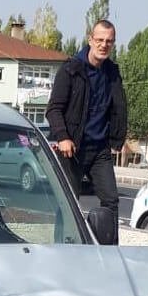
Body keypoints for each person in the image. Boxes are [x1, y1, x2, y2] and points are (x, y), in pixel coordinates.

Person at [44, 19, 128, 242]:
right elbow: (53, 110)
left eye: (109, 41)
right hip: (73, 148)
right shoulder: (71, 69)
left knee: (111, 200)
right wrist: (63, 137)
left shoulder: (112, 73)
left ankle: (109, 250)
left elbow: (119, 106)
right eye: (99, 40)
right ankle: (63, 247)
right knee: (69, 201)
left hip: (100, 149)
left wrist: (117, 138)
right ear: (90, 40)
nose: (103, 45)